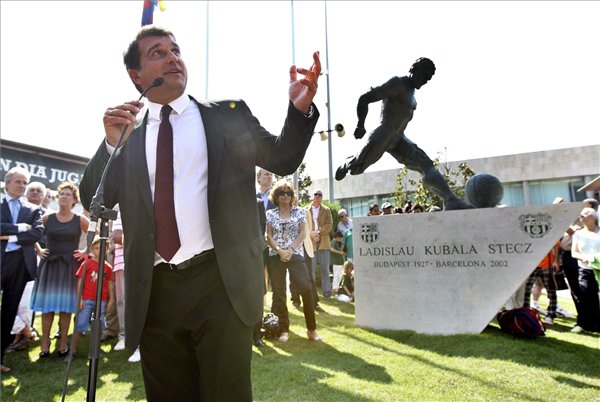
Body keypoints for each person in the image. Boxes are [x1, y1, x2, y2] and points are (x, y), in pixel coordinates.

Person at [78, 26, 320, 401]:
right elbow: (94, 198)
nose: (172, 58)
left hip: (220, 283)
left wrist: (299, 109)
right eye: (158, 53)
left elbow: (282, 158)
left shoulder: (227, 116)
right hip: (154, 290)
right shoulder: (127, 135)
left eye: (175, 50)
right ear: (136, 75)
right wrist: (111, 145)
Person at [335, 58, 471, 210]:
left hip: (399, 138)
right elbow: (364, 98)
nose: (424, 81)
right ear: (414, 69)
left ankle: (450, 199)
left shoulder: (412, 93)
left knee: (426, 164)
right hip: (384, 133)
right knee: (356, 169)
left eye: (427, 79)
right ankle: (346, 164)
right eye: (423, 76)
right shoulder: (397, 84)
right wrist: (360, 125)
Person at [30, 181, 89, 358]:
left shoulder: (80, 219)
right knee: (47, 307)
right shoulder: (48, 217)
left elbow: (97, 235)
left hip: (70, 266)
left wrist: (86, 252)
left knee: (66, 307)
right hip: (49, 266)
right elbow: (32, 232)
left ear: (74, 200)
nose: (63, 196)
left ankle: (63, 342)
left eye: (68, 194)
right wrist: (38, 250)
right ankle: (45, 343)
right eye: (61, 193)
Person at [266, 181, 322, 343]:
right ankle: (283, 330)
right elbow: (268, 236)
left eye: (288, 193)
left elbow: (303, 233)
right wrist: (280, 250)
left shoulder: (299, 211)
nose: (285, 196)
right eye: (282, 193)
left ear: (292, 196)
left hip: (295, 255)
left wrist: (289, 250)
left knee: (306, 288)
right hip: (275, 255)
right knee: (279, 293)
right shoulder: (270, 213)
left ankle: (311, 330)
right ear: (276, 196)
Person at [1, 167, 44, 373]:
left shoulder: (33, 210)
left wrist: (8, 236)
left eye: (25, 182)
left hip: (20, 264)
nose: (22, 186)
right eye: (18, 181)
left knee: (10, 311)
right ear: (7, 183)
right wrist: (20, 228)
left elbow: (37, 233)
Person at [6, 182, 47, 354]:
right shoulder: (14, 210)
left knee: (24, 302)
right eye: (32, 190)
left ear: (44, 196)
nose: (35, 193)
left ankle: (21, 337)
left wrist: (10, 237)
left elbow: (35, 235)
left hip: (33, 261)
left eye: (39, 191)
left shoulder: (46, 214)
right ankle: (25, 332)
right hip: (8, 259)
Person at [72, 236, 115, 355]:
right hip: (86, 300)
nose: (99, 250)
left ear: (107, 249)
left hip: (101, 301)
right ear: (91, 249)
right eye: (96, 248)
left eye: (102, 248)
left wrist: (111, 299)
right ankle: (73, 350)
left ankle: (95, 350)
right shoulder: (87, 264)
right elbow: (80, 281)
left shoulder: (108, 267)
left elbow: (109, 284)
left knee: (99, 325)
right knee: (80, 324)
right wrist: (79, 298)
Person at [570, 207, 600, 333]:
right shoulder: (578, 234)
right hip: (585, 269)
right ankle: (582, 324)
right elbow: (574, 253)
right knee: (585, 295)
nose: (582, 215)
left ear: (593, 217)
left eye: (586, 213)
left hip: (599, 270)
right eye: (581, 213)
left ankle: (597, 325)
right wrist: (585, 258)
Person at [308, 190, 333, 299]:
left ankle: (327, 292)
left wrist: (318, 232)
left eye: (320, 195)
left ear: (322, 197)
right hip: (310, 243)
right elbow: (303, 226)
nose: (317, 196)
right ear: (312, 196)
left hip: (323, 243)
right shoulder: (305, 210)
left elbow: (329, 225)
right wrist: (311, 235)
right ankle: (312, 293)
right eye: (316, 194)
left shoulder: (326, 210)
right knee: (311, 270)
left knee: (325, 270)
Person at [330, 231, 346, 296]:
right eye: (340, 238)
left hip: (339, 262)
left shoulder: (337, 243)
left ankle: (336, 287)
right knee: (336, 275)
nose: (341, 239)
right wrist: (340, 252)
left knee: (339, 275)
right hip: (336, 262)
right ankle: (334, 288)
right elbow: (331, 249)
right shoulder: (333, 242)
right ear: (337, 237)